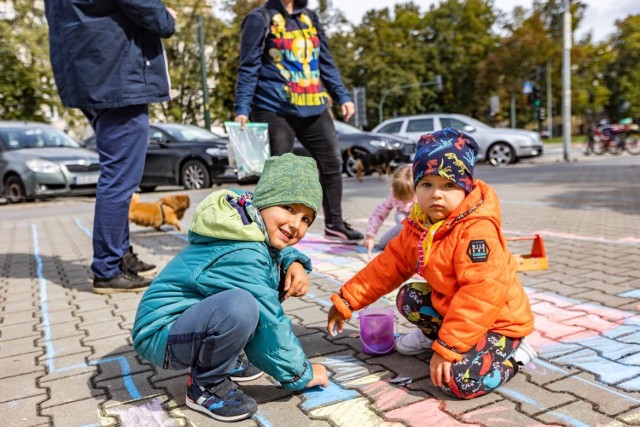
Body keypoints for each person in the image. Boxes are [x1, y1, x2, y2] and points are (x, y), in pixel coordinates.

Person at [326, 128, 537, 399]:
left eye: (448, 185)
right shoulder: (420, 225)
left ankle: (516, 356)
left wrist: (448, 348)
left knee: (459, 382)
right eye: (427, 184)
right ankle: (438, 338)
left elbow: (480, 295)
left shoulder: (477, 230)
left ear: (466, 188)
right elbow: (387, 266)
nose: (436, 194)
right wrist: (347, 300)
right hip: (459, 313)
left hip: (499, 323)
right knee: (409, 296)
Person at [132, 153, 329, 422]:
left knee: (263, 287)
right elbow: (269, 322)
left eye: (307, 219)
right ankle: (206, 384)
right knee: (243, 306)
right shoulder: (245, 252)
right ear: (264, 202)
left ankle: (223, 357)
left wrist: (292, 261)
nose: (296, 224)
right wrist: (301, 374)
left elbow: (272, 252)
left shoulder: (247, 225)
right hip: (160, 333)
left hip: (181, 323)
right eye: (289, 209)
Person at [43, 1, 177, 293]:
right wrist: (166, 18)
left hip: (88, 72)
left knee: (118, 175)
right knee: (120, 178)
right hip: (116, 74)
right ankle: (107, 268)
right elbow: (143, 7)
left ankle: (121, 257)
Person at [234, 0, 364, 243]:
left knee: (332, 161)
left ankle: (334, 224)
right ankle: (269, 232)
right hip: (273, 106)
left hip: (313, 104)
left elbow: (325, 60)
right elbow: (248, 66)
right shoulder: (259, 18)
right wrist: (242, 107)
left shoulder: (310, 18)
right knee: (278, 173)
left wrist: (342, 95)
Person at [363, 164, 416, 257]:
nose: (405, 201)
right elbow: (379, 213)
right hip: (403, 226)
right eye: (402, 197)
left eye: (408, 196)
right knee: (382, 244)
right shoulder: (394, 193)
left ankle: (409, 245)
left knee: (401, 217)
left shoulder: (423, 193)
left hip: (422, 228)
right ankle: (404, 238)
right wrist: (370, 236)